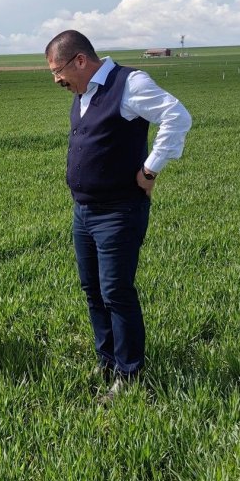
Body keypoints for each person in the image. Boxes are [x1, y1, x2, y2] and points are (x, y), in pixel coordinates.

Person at [44, 30, 192, 397]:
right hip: (84, 212)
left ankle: (129, 373)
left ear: (80, 60)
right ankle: (107, 360)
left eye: (57, 70)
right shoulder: (82, 94)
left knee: (116, 292)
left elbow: (177, 115)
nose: (56, 80)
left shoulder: (129, 83)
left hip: (119, 211)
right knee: (93, 290)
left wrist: (151, 168)